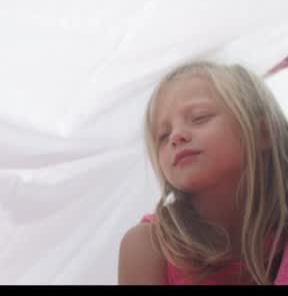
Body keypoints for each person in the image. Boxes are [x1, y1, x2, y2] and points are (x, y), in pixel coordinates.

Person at [118, 61, 288, 285]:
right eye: (162, 135)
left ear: (262, 133)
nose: (176, 136)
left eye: (200, 117)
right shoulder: (147, 246)